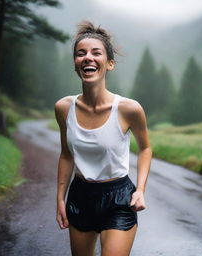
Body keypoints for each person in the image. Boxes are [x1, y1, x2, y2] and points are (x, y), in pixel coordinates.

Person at [54, 20, 152, 256]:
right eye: (81, 54)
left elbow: (146, 149)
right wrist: (60, 198)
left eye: (96, 53)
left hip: (118, 198)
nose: (87, 57)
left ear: (109, 64)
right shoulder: (64, 108)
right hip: (80, 196)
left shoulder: (129, 109)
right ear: (76, 65)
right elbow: (66, 155)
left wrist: (140, 189)